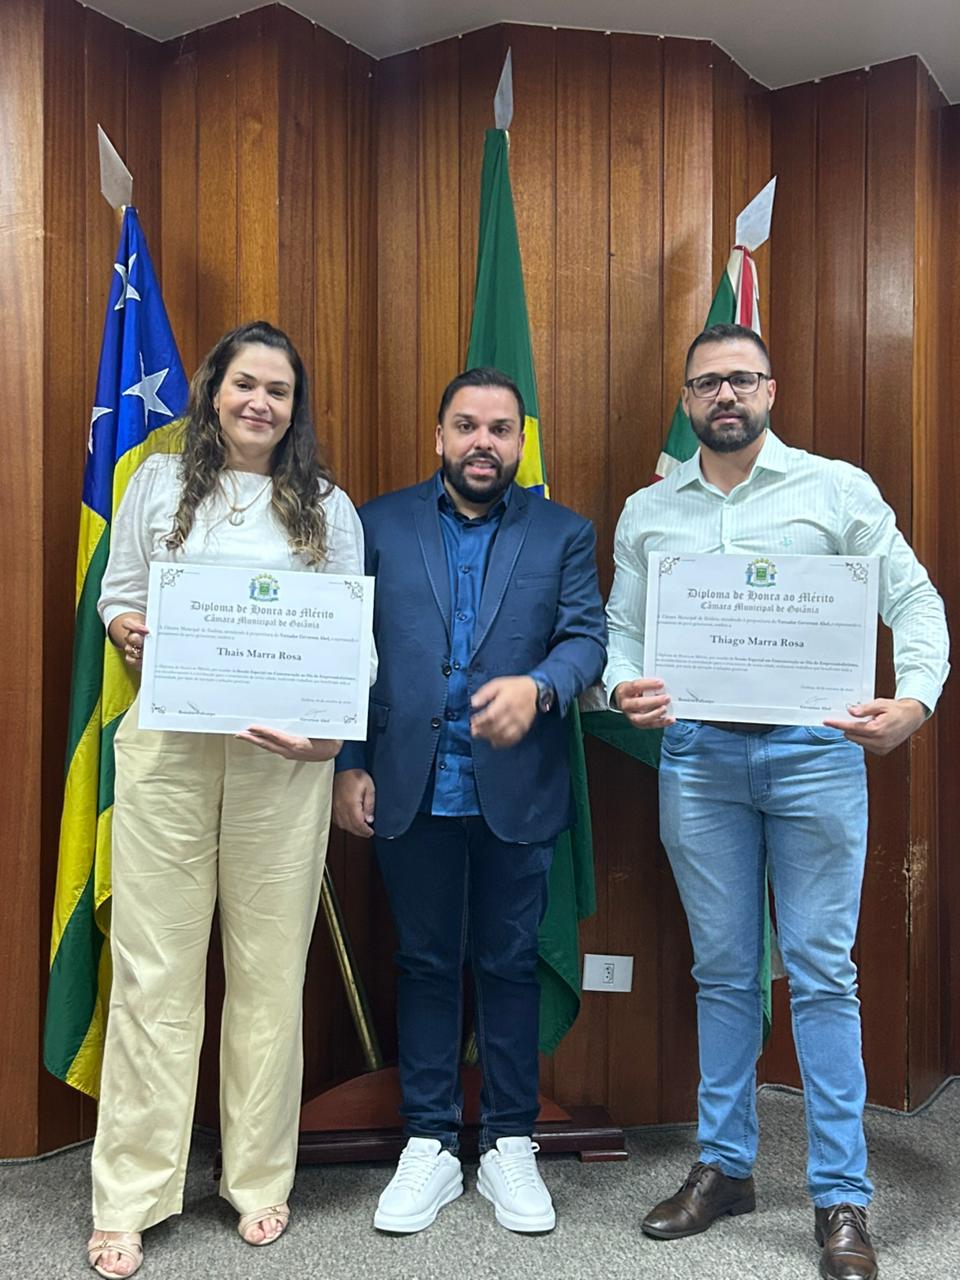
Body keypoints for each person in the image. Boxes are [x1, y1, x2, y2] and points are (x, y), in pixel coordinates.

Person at [604, 323, 949, 1280]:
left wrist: (915, 702)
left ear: (770, 390)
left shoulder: (836, 491)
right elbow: (620, 629)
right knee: (723, 973)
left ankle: (841, 1195)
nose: (726, 395)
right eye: (707, 382)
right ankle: (725, 1168)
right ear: (686, 401)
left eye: (743, 379)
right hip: (699, 759)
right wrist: (624, 683)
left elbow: (916, 602)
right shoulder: (648, 511)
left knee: (823, 974)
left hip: (815, 757)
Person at [86, 321, 369, 1278]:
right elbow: (117, 594)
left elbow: (352, 641)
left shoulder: (327, 506)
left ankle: (257, 1178)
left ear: (296, 408)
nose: (260, 403)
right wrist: (129, 627)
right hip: (168, 749)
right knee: (154, 972)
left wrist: (329, 736)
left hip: (282, 763)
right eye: (245, 384)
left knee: (269, 974)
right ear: (214, 392)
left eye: (278, 391)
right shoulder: (156, 483)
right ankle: (130, 1195)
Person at [332, 367, 606, 1235]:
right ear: (440, 437)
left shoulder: (563, 532)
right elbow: (344, 649)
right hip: (406, 784)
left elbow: (587, 639)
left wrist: (542, 687)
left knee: (509, 963)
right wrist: (348, 762)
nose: (483, 442)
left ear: (520, 442)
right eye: (466, 426)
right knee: (422, 961)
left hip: (516, 788)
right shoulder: (376, 525)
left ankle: (510, 1142)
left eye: (499, 429)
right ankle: (430, 1143)